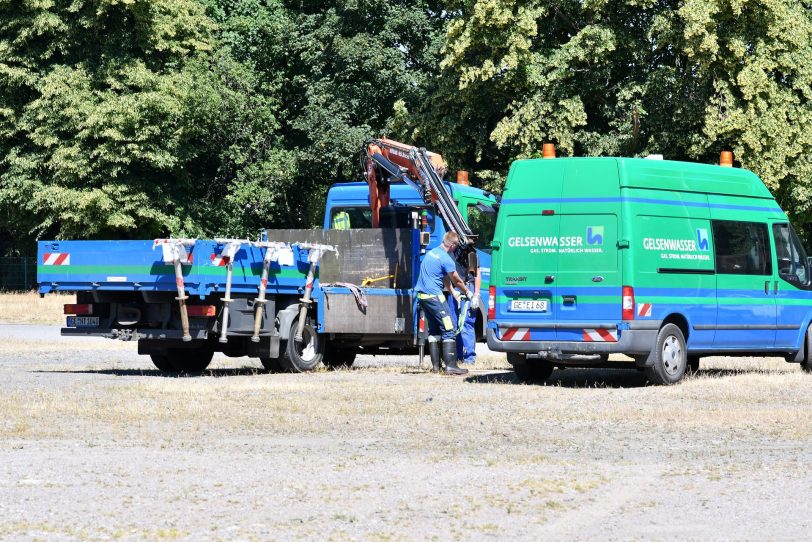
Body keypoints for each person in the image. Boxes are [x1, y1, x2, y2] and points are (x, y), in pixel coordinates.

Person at [415, 231, 474, 375]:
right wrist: (467, 292)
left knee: (434, 331)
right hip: (435, 297)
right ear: (453, 245)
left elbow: (445, 277)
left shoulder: (432, 253)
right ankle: (451, 366)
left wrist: (453, 293)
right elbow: (456, 280)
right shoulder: (446, 258)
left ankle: (436, 367)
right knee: (449, 329)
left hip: (422, 297)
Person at [446, 259, 480, 365]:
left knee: (467, 324)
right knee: (454, 325)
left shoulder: (471, 253)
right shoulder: (450, 254)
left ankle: (469, 358)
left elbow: (477, 274)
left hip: (467, 288)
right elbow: (446, 275)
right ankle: (458, 357)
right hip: (455, 290)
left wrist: (476, 294)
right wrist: (452, 291)